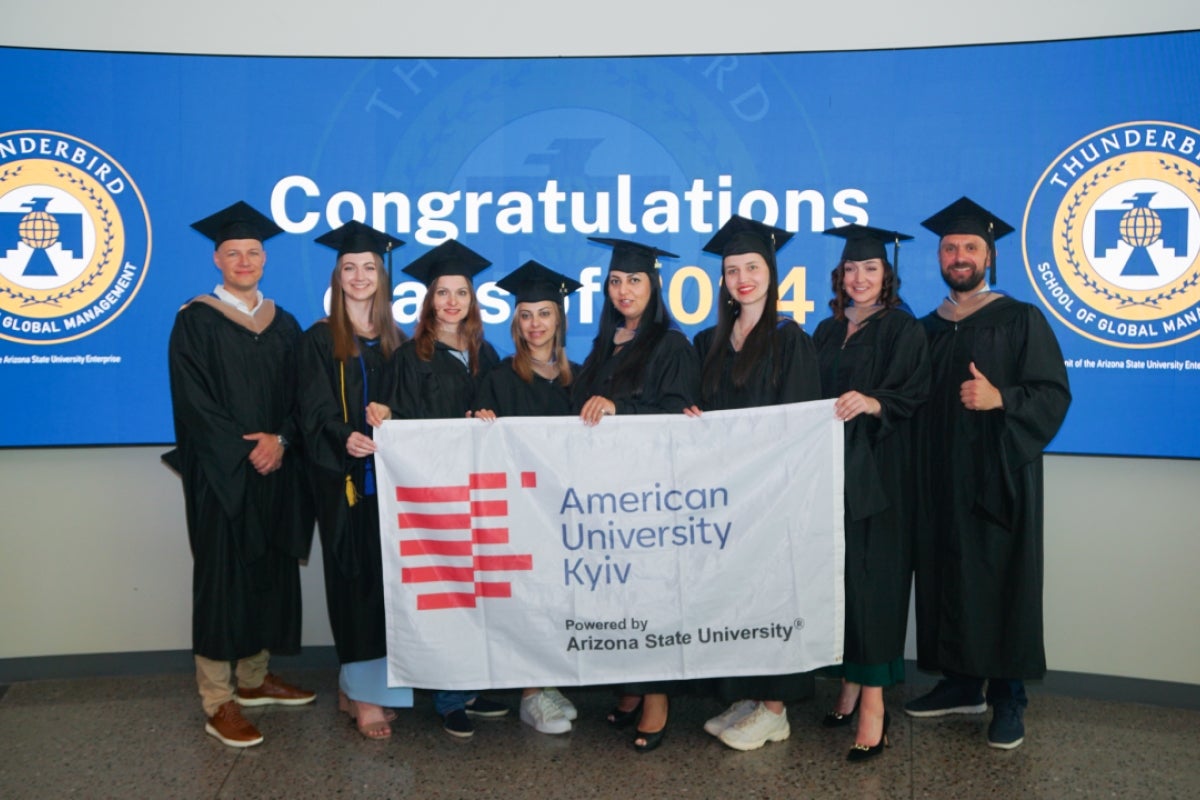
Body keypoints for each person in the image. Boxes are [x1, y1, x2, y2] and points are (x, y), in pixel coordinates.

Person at [905, 197, 1071, 751]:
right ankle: (959, 684)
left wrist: (1003, 397)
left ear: (989, 257)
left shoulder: (1019, 319)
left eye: (969, 247)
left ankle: (1008, 698)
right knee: (947, 577)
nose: (959, 256)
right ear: (940, 257)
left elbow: (1052, 393)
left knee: (1000, 583)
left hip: (998, 479)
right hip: (939, 482)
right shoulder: (927, 328)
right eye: (950, 247)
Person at [166, 200, 315, 748]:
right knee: (221, 579)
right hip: (220, 475)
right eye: (234, 253)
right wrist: (242, 449)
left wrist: (280, 440)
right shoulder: (196, 320)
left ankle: (254, 680)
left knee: (268, 573)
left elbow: (304, 394)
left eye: (253, 252)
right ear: (217, 259)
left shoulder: (287, 324)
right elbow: (193, 403)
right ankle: (218, 699)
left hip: (274, 468)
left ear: (264, 260)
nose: (245, 260)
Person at [684, 215, 823, 752]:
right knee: (736, 592)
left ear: (771, 273)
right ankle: (747, 694)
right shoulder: (709, 342)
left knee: (774, 591)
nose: (742, 278)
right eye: (732, 269)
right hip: (726, 496)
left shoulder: (792, 341)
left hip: (774, 495)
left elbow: (801, 426)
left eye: (752, 267)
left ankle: (776, 708)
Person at [572, 236, 700, 752]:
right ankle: (628, 687)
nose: (624, 290)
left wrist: (620, 410)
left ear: (655, 285)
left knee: (649, 593)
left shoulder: (672, 344)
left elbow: (680, 416)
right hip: (605, 495)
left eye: (635, 280)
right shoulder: (603, 344)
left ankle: (656, 697)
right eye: (617, 280)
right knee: (616, 592)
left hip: (648, 496)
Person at [812, 224, 930, 762]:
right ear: (840, 276)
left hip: (880, 478)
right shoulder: (823, 331)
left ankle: (874, 706)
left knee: (873, 588)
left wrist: (874, 402)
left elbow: (912, 394)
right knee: (839, 584)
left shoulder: (903, 330)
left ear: (887, 277)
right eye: (851, 270)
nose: (859, 278)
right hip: (829, 475)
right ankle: (849, 681)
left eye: (871, 270)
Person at [297, 220, 413, 739]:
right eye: (350, 268)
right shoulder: (319, 339)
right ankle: (367, 696)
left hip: (390, 486)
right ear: (337, 276)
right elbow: (312, 405)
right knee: (355, 585)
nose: (360, 276)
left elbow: (413, 407)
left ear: (381, 278)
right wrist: (342, 435)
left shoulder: (399, 343)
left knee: (389, 589)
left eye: (369, 268)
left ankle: (360, 687)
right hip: (344, 482)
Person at [388, 238, 509, 738]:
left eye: (461, 292)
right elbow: (401, 426)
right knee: (445, 588)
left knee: (477, 589)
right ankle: (447, 696)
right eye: (443, 293)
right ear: (430, 300)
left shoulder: (489, 353)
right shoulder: (409, 358)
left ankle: (471, 684)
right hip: (434, 494)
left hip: (480, 491)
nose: (452, 302)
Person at [473, 259, 584, 735]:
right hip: (519, 513)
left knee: (559, 597)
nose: (535, 324)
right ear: (514, 322)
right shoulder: (498, 379)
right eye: (526, 315)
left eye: (544, 313)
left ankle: (548, 681)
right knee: (526, 598)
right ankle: (529, 694)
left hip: (566, 510)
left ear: (559, 319)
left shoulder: (579, 378)